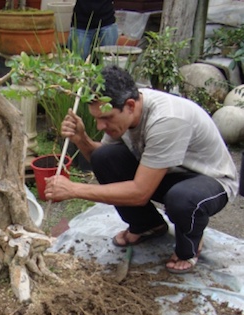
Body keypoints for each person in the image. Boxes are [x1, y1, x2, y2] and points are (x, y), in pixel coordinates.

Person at [45, 65, 239, 274]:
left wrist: (73, 190)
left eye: (106, 118)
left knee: (182, 200)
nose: (100, 126)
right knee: (104, 157)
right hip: (166, 172)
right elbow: (101, 159)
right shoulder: (123, 111)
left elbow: (140, 193)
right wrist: (81, 139)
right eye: (97, 119)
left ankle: (190, 246)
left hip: (211, 181)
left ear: (130, 105)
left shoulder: (166, 119)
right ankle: (148, 226)